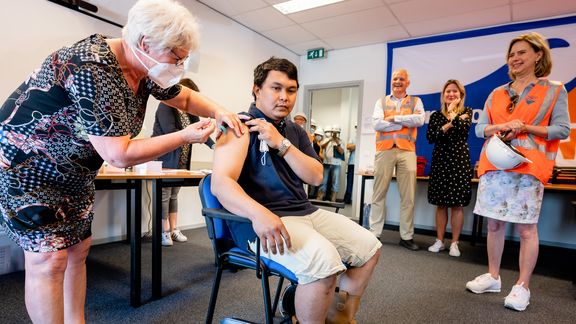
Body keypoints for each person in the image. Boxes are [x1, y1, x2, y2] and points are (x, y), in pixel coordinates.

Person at [0, 0, 243, 322]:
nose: (180, 65)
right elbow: (118, 154)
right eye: (176, 57)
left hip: (74, 172)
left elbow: (181, 95)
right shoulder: (93, 68)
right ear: (145, 44)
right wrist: (186, 137)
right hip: (28, 169)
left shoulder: (144, 65)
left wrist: (218, 110)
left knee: (77, 251)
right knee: (49, 261)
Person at [211, 57, 381, 323]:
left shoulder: (295, 131)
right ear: (257, 90)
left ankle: (337, 317)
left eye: (291, 90)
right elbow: (221, 184)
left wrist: (282, 143)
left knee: (369, 247)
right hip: (261, 223)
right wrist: (259, 214)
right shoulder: (239, 126)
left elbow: (315, 176)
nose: (284, 97)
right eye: (275, 88)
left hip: (306, 213)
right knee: (324, 265)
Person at [465, 32, 569, 311]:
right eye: (512, 54)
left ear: (538, 55)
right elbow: (479, 128)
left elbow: (562, 129)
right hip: (496, 165)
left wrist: (526, 127)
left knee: (526, 229)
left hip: (529, 167)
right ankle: (493, 276)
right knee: (494, 224)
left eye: (522, 52)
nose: (515, 58)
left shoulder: (554, 90)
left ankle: (522, 286)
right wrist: (499, 128)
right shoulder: (496, 93)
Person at [152, 78, 215, 246]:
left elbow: (201, 130)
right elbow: (170, 132)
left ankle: (174, 229)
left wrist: (215, 146)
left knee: (174, 194)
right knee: (164, 195)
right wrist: (193, 136)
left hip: (181, 160)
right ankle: (163, 231)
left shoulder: (189, 111)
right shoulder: (166, 106)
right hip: (165, 158)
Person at [369, 69, 425, 250]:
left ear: (408, 82)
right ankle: (374, 233)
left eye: (401, 79)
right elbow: (377, 124)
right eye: (395, 79)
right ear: (391, 81)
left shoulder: (416, 101)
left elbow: (420, 120)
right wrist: (403, 122)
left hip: (407, 151)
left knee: (407, 197)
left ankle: (406, 236)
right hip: (384, 151)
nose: (397, 81)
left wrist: (393, 119)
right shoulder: (381, 101)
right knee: (378, 194)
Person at [426, 79, 472, 257]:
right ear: (443, 95)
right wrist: (449, 123)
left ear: (461, 96)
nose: (451, 95)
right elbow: (431, 136)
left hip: (458, 161)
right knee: (440, 204)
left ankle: (454, 243)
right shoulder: (436, 115)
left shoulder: (467, 112)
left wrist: (453, 113)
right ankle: (439, 241)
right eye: (448, 92)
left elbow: (462, 129)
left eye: (455, 92)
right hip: (440, 161)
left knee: (457, 205)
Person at [317, 124, 345, 202]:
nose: (335, 134)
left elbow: (342, 152)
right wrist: (330, 139)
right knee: (323, 181)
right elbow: (322, 146)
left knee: (335, 182)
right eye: (333, 132)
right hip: (326, 163)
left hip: (336, 165)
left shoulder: (341, 141)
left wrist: (337, 142)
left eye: (336, 132)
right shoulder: (326, 139)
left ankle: (333, 199)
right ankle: (320, 198)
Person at [343, 125, 357, 204]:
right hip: (352, 163)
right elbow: (348, 146)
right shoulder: (353, 137)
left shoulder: (365, 137)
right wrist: (357, 144)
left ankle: (355, 200)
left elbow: (352, 147)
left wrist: (354, 146)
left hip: (361, 164)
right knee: (350, 182)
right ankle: (347, 199)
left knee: (357, 183)